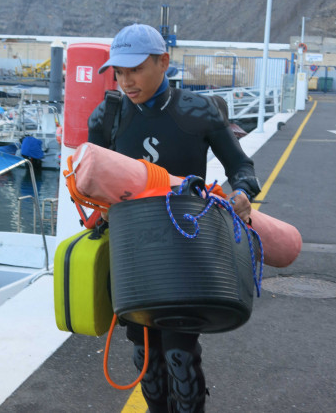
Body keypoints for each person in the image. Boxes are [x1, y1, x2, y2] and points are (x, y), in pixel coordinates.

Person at [88, 23, 261, 413]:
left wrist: (241, 196)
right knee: (145, 359)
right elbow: (89, 177)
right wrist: (97, 205)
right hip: (133, 251)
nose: (126, 81)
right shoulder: (107, 116)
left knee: (179, 355)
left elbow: (242, 168)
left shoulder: (197, 111)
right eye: (118, 72)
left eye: (135, 69)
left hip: (187, 249)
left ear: (163, 62)